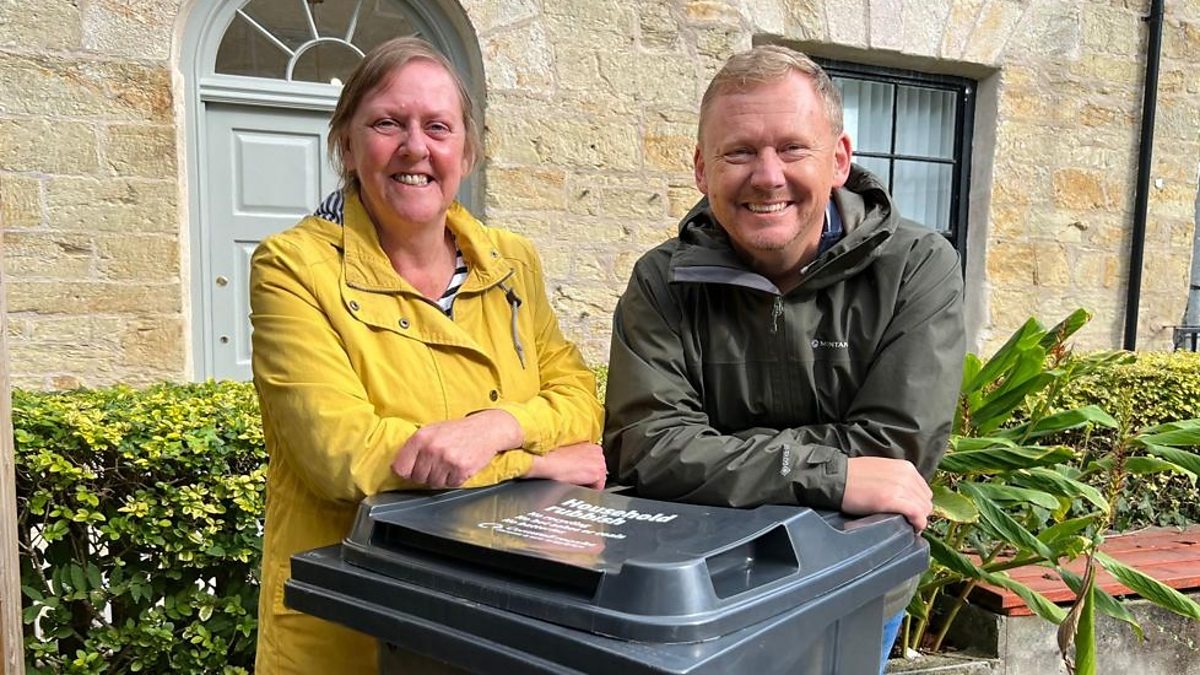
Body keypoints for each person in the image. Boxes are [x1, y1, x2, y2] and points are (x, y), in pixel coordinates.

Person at [603, 45, 965, 672]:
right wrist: (834, 474)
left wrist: (712, 452)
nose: (767, 176)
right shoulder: (662, 282)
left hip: (853, 589)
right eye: (738, 151)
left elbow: (893, 453)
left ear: (839, 161)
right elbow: (646, 448)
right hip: (704, 599)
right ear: (700, 169)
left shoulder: (916, 266)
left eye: (792, 148)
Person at [250, 37, 605, 674]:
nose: (416, 147)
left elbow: (579, 396)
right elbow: (344, 453)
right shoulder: (293, 267)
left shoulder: (511, 261)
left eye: (438, 127)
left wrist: (497, 428)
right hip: (354, 626)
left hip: (499, 616)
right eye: (388, 123)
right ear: (347, 145)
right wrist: (532, 464)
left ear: (466, 152)